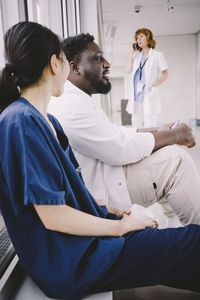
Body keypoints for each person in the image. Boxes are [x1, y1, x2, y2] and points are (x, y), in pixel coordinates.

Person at [2, 22, 200, 300]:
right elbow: (53, 215)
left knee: (186, 248)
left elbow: (67, 195)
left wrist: (113, 211)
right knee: (192, 244)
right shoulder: (21, 122)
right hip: (72, 261)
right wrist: (120, 227)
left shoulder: (45, 121)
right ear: (55, 65)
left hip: (80, 247)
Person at [48, 33, 200, 227]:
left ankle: (175, 225)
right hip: (103, 193)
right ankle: (196, 236)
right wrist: (173, 135)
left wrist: (157, 129)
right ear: (74, 67)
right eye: (98, 58)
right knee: (176, 161)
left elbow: (113, 133)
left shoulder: (76, 97)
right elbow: (118, 148)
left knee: (162, 151)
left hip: (107, 173)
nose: (107, 63)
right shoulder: (69, 101)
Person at [125, 28, 168, 128]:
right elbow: (128, 70)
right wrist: (131, 52)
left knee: (150, 124)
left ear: (148, 38)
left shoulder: (157, 55)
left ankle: (150, 143)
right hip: (136, 95)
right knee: (135, 124)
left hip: (148, 93)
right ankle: (137, 143)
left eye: (141, 36)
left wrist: (155, 84)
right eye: (137, 37)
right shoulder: (136, 56)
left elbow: (165, 73)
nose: (138, 39)